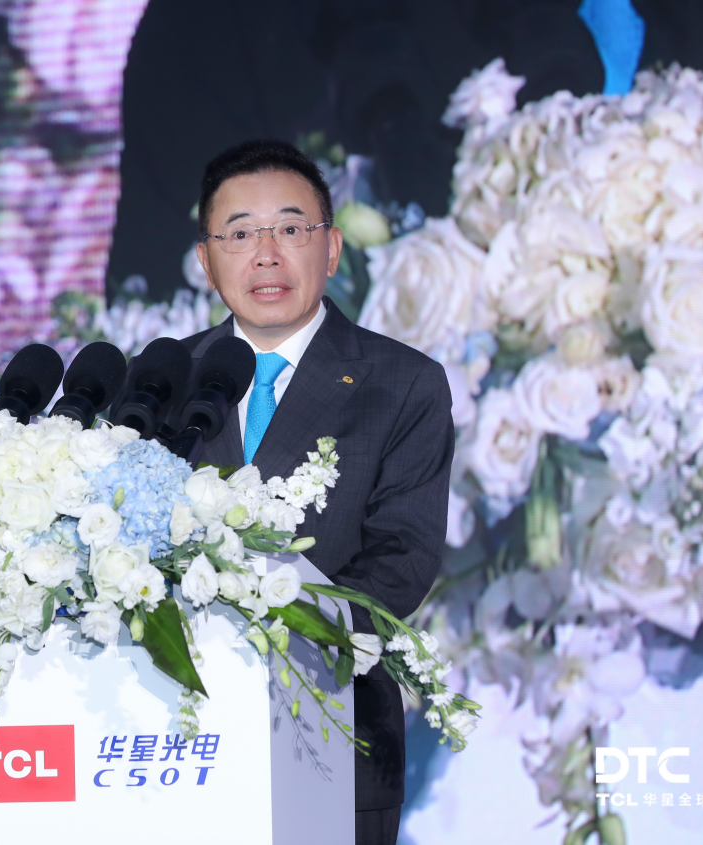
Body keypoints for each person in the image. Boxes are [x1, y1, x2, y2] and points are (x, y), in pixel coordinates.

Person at [178, 139, 454, 845]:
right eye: (240, 234)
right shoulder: (164, 379)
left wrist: (275, 634)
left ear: (330, 249)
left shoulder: (402, 383)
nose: (266, 255)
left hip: (332, 725)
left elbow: (402, 558)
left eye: (290, 229)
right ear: (207, 260)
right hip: (179, 739)